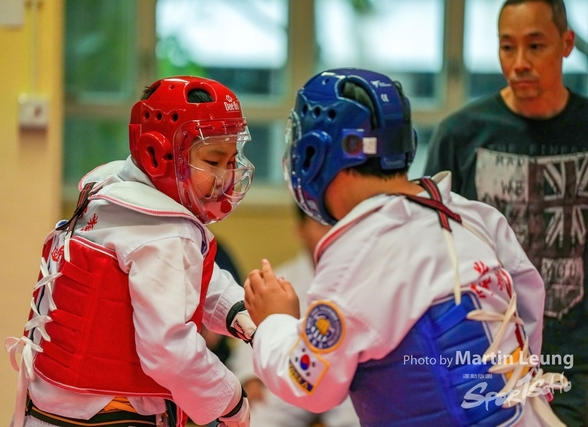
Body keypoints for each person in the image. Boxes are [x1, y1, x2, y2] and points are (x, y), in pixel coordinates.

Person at [243, 67, 568, 427]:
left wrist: (274, 321)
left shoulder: (361, 248)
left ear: (313, 154)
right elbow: (530, 308)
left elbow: (309, 384)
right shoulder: (472, 215)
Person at [4, 76, 258, 427]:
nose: (226, 178)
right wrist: (231, 401)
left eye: (231, 162)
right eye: (213, 161)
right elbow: (170, 353)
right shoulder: (166, 234)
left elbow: (181, 276)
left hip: (52, 410)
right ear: (157, 153)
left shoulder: (111, 196)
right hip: (108, 417)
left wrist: (243, 314)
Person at [424, 1, 588, 424]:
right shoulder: (460, 135)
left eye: (535, 46)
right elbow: (431, 250)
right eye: (507, 47)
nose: (519, 63)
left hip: (579, 356)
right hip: (487, 352)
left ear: (566, 43)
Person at [227, 206, 360, 427]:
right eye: (320, 223)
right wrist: (249, 377)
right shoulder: (280, 279)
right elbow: (249, 328)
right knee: (258, 418)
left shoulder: (361, 277)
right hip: (289, 377)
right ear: (300, 229)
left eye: (335, 223)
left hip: (348, 380)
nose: (329, 232)